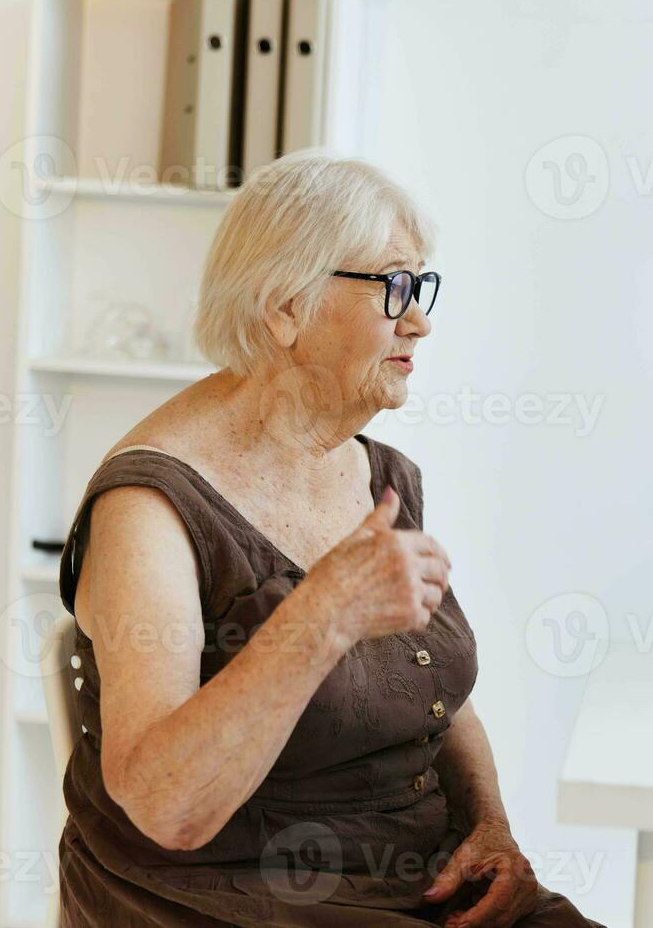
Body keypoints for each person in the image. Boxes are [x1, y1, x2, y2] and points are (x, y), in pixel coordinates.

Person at [56, 152, 600, 928]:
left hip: (413, 874)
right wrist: (323, 615)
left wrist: (491, 827)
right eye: (394, 287)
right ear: (285, 308)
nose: (420, 319)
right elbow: (166, 805)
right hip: (232, 896)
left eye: (422, 285)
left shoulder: (379, 475)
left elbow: (436, 696)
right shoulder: (149, 507)